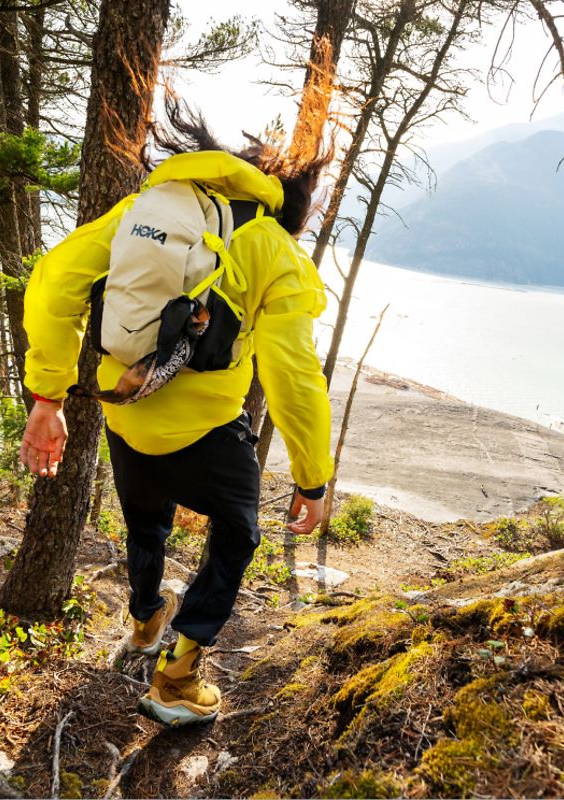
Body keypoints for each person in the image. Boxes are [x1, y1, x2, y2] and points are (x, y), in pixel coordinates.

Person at [19, 103, 334, 728]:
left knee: (146, 522)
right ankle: (179, 679)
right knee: (238, 532)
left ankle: (142, 625)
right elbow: (291, 369)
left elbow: (54, 280)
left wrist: (47, 398)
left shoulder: (148, 211)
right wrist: (312, 477)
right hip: (209, 429)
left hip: (128, 416)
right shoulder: (271, 244)